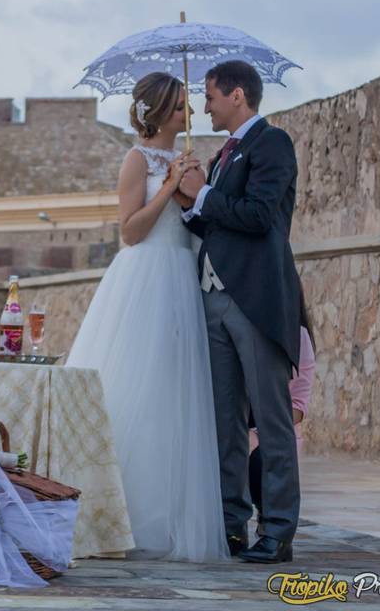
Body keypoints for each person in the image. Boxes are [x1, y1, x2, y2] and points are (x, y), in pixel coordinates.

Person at [66, 72, 228, 561]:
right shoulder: (137, 159)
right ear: (156, 112)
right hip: (146, 277)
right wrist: (168, 189)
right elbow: (131, 231)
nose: (188, 114)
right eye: (180, 106)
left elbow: (198, 220)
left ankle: (168, 512)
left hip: (184, 275)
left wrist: (194, 189)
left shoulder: (189, 159)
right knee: (136, 387)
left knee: (178, 396)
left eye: (189, 106)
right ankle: (116, 513)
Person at [178, 59, 303, 563]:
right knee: (224, 421)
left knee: (270, 421)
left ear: (236, 95)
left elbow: (257, 216)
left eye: (209, 97)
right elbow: (217, 227)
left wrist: (204, 195)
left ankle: (277, 532)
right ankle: (231, 525)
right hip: (214, 300)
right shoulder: (222, 156)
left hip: (255, 300)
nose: (203, 106)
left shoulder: (272, 144)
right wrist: (187, 202)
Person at [249, 294, 317, 534]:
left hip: (274, 432)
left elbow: (297, 409)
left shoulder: (299, 338)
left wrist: (256, 431)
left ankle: (270, 515)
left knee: (256, 455)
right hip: (249, 428)